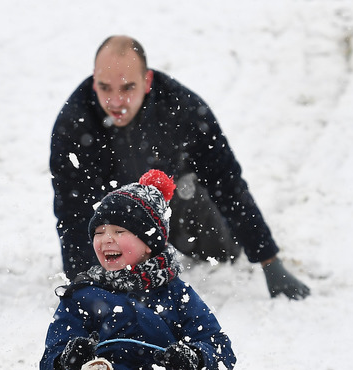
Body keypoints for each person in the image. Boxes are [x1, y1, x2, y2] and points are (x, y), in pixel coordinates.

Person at [39, 169, 281, 370]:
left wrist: (195, 357)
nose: (105, 239)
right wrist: (68, 361)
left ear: (149, 242)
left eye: (119, 230)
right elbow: (50, 363)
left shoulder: (177, 294)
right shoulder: (82, 295)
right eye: (99, 232)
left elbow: (219, 349)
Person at [50, 34, 310, 300]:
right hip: (113, 217)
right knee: (120, 272)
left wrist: (269, 260)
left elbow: (227, 182)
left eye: (127, 88)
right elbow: (73, 212)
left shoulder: (181, 108)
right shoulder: (74, 123)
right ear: (94, 81)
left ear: (147, 81)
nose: (116, 102)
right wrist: (84, 289)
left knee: (224, 252)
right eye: (105, 88)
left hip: (175, 205)